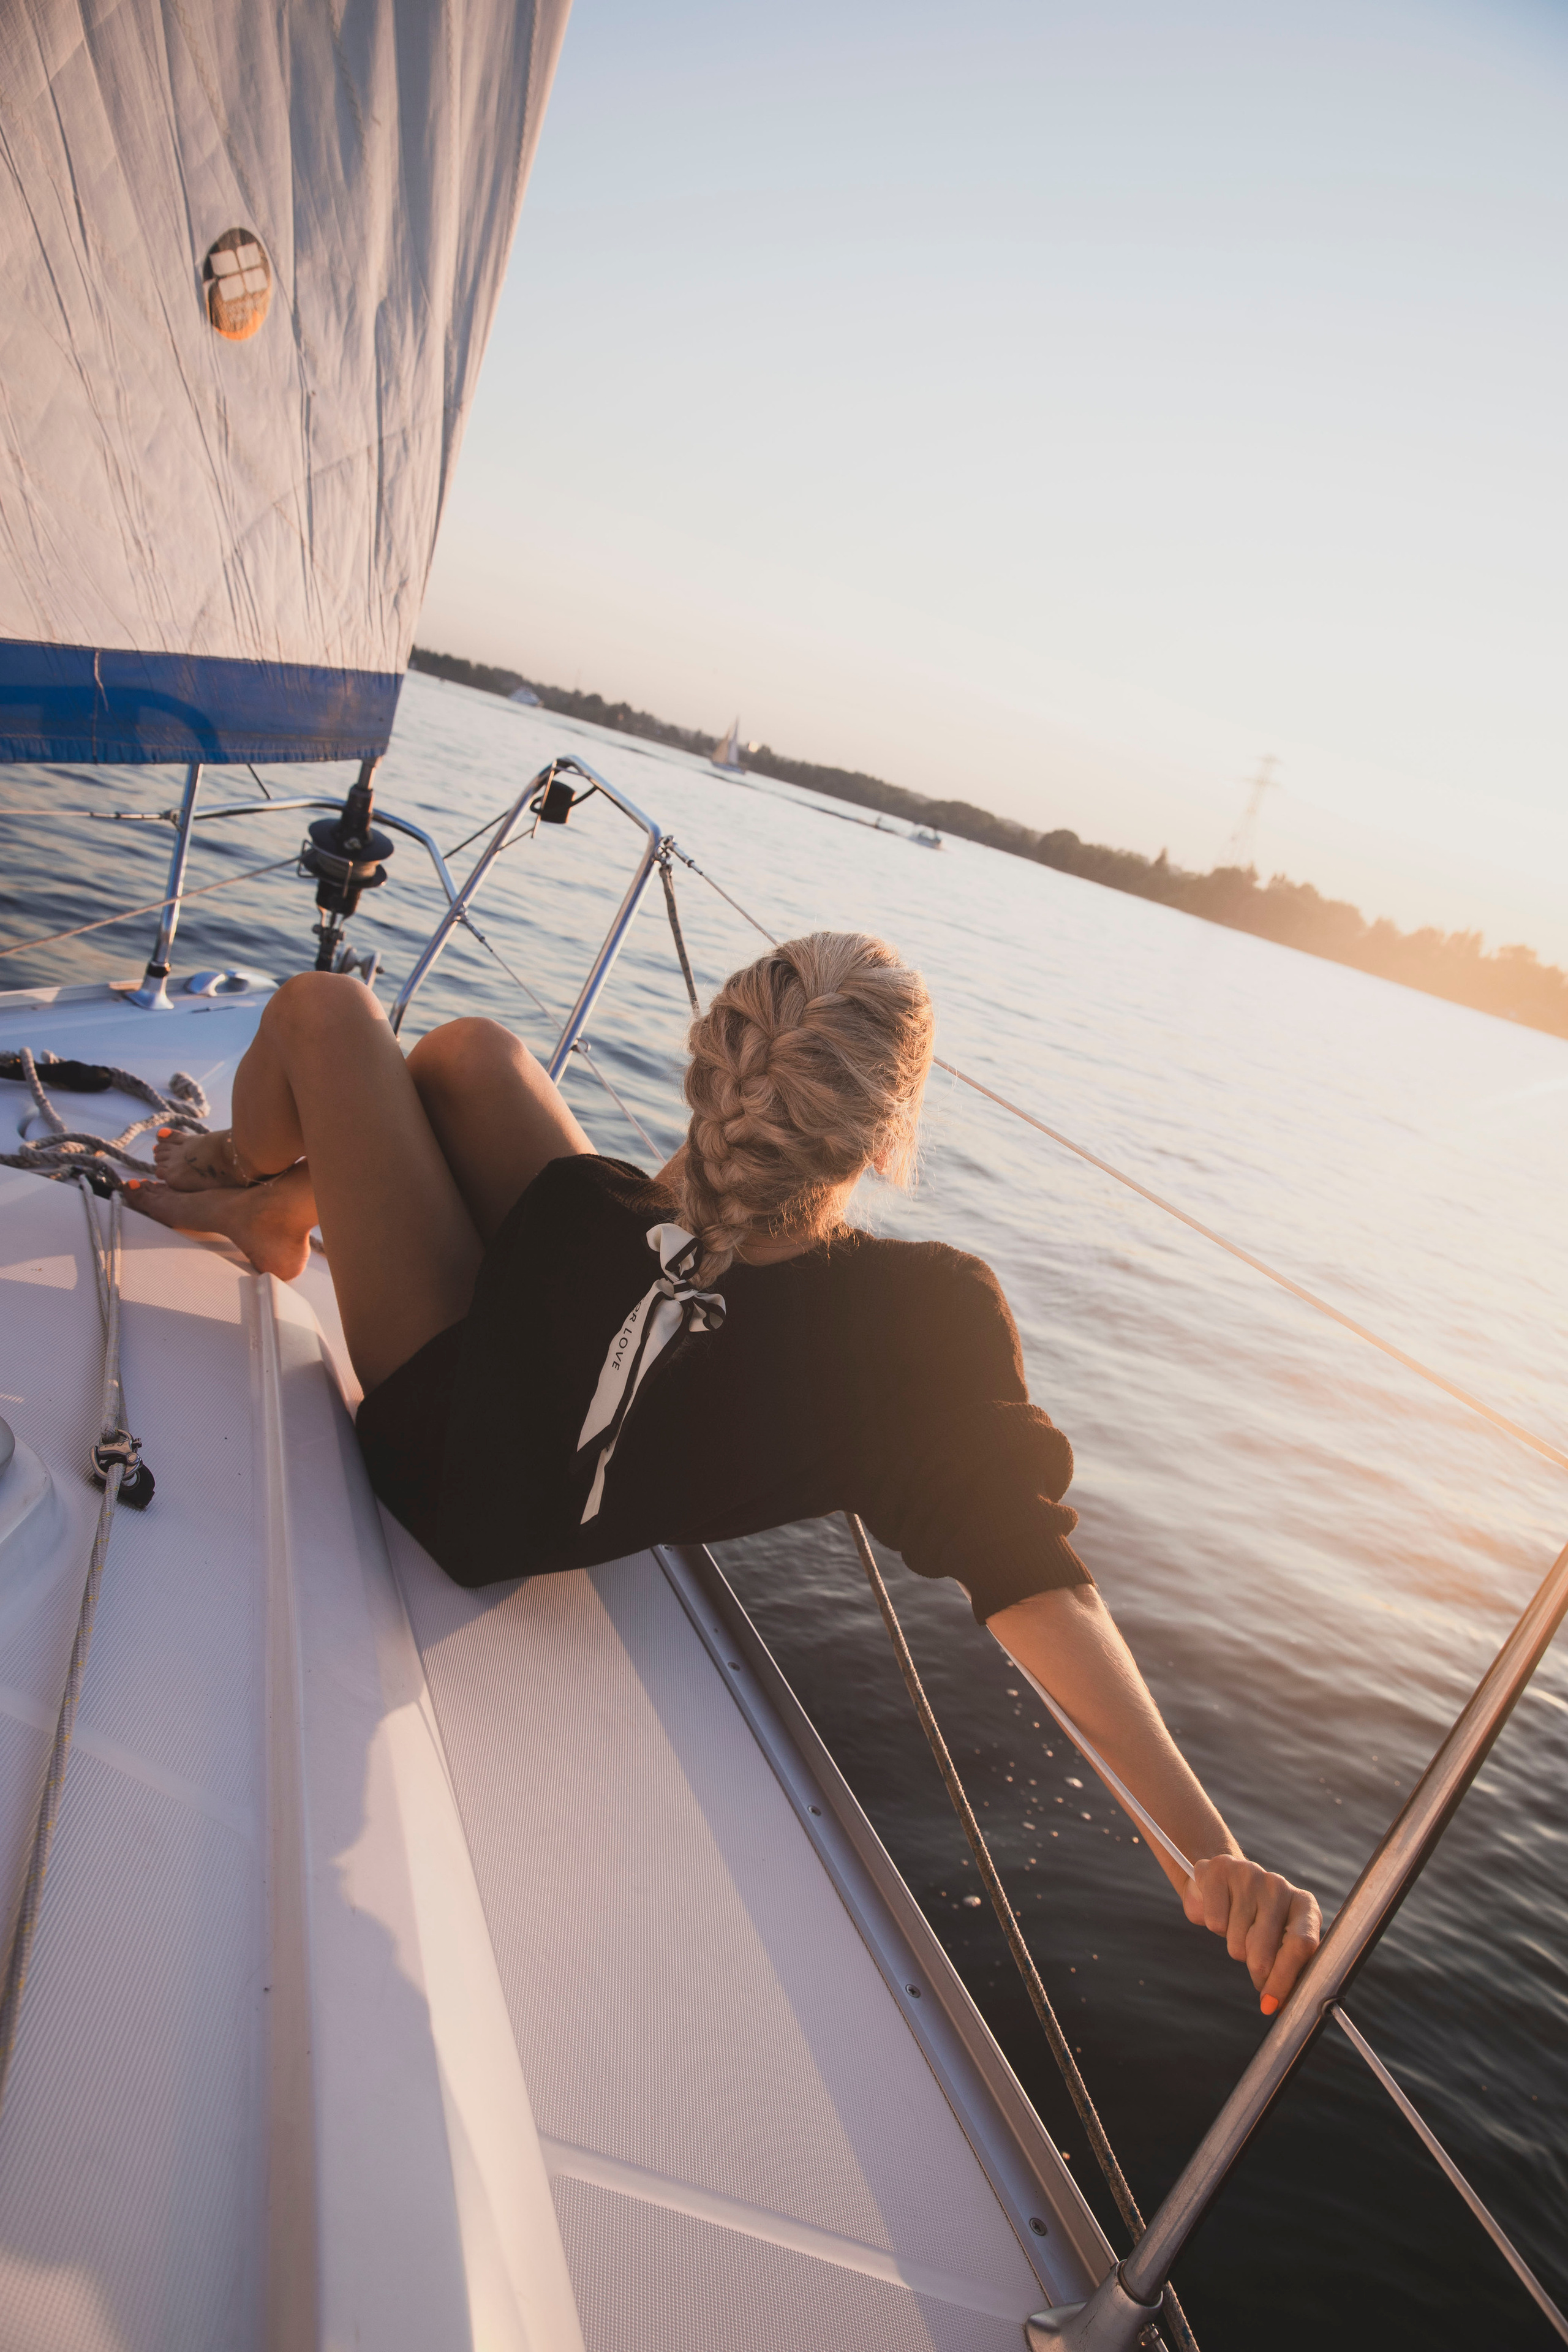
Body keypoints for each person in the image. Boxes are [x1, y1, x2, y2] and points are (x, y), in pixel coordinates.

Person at [129, 930, 1321, 2013]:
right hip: (545, 1410)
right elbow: (1030, 1575)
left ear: (714, 1065)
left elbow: (1028, 1574)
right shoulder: (908, 1325)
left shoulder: (601, 1221)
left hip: (445, 1459)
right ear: (885, 1134)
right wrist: (1201, 1845)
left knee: (328, 1010)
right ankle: (288, 1197)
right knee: (472, 1055)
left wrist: (1196, 1842)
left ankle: (247, 1180)